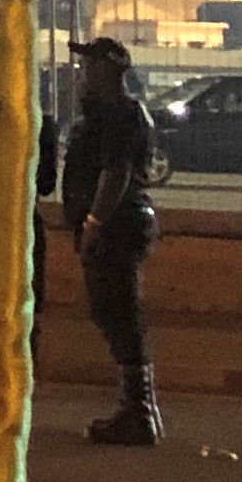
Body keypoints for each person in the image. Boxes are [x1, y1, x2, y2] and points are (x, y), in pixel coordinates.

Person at [58, 37, 163, 446]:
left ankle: (139, 413)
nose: (83, 72)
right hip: (115, 226)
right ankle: (137, 409)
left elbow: (115, 172)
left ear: (108, 70)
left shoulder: (121, 114)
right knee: (111, 314)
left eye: (90, 65)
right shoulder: (107, 112)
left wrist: (94, 221)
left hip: (118, 227)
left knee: (120, 314)